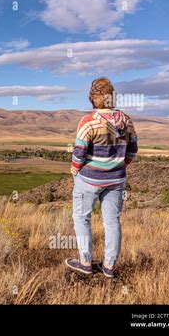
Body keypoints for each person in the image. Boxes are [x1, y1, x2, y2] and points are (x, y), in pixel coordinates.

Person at [65, 77, 138, 278]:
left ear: (93, 98)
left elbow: (79, 152)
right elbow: (132, 150)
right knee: (112, 221)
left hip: (89, 179)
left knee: (81, 218)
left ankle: (85, 262)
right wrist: (120, 165)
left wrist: (75, 170)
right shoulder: (126, 120)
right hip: (117, 179)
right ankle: (109, 267)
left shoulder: (88, 121)